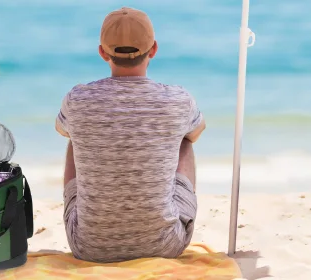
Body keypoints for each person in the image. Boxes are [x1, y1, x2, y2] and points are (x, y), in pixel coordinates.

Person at [54, 7, 206, 263]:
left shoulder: (78, 99)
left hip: (89, 246)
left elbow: (61, 129)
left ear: (102, 52)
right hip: (165, 245)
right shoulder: (178, 100)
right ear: (154, 49)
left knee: (73, 135)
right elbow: (198, 132)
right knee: (185, 138)